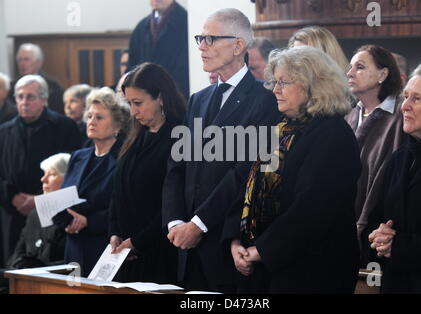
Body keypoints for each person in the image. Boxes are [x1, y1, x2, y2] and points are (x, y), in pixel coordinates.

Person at [223, 46, 361, 293]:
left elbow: (313, 209)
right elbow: (247, 187)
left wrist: (262, 250)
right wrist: (235, 240)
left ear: (313, 86)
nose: (275, 90)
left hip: (312, 271)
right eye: (275, 82)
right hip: (260, 267)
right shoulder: (280, 128)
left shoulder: (333, 135)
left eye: (284, 82)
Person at [162, 8, 280, 293]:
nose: (201, 46)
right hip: (185, 249)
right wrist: (176, 222)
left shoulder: (265, 101)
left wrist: (198, 225)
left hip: (226, 247)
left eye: (210, 39)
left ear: (238, 45)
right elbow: (177, 168)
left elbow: (245, 174)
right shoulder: (198, 100)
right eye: (200, 38)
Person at [364, 61, 421, 293]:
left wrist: (400, 246)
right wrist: (378, 236)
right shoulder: (399, 158)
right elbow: (376, 217)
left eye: (417, 99)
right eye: (405, 97)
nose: (405, 106)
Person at [109, 62, 185, 283]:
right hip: (125, 251)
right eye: (130, 103)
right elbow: (118, 190)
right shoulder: (136, 136)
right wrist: (114, 233)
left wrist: (138, 242)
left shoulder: (179, 136)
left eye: (138, 103)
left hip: (160, 251)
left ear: (160, 97)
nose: (133, 112)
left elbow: (174, 201)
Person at [0, 75, 81, 267]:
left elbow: (73, 170)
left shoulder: (64, 127)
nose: (24, 102)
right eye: (20, 97)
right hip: (12, 211)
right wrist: (11, 196)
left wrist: (38, 200)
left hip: (53, 212)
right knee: (14, 265)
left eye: (30, 97)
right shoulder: (3, 132)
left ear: (44, 99)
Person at [52, 87, 130, 277]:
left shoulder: (125, 159)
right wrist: (65, 219)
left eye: (99, 117)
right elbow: (63, 198)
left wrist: (89, 221)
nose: (91, 122)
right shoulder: (78, 157)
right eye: (89, 116)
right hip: (74, 247)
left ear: (118, 126)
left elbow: (124, 207)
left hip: (104, 245)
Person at [345, 45, 406, 249]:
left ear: (383, 74)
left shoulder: (400, 115)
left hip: (382, 225)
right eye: (350, 67)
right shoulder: (350, 115)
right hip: (344, 218)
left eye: (360, 67)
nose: (350, 73)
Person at [7, 153, 70, 270]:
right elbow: (17, 255)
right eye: (43, 174)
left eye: (52, 174)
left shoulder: (77, 216)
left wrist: (37, 268)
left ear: (69, 178)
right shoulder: (34, 215)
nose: (43, 179)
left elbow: (75, 262)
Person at [127, 0, 189, 99]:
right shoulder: (141, 27)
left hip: (176, 98)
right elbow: (132, 65)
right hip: (145, 98)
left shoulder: (187, 23)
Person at [8, 43, 65, 114]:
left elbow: (59, 109)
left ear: (38, 63)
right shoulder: (12, 85)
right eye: (20, 60)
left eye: (26, 59)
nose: (22, 64)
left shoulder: (52, 85)